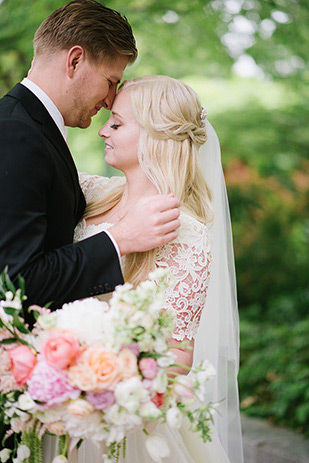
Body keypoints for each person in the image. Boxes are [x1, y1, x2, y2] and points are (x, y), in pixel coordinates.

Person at [43, 75, 243, 462]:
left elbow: (178, 357)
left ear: (157, 135)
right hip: (55, 399)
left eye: (116, 123)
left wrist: (95, 375)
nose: (102, 130)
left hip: (122, 419)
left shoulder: (185, 231)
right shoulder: (97, 193)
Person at [0, 0, 180, 316]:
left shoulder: (29, 126)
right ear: (75, 60)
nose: (111, 100)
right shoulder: (18, 135)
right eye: (110, 81)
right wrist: (119, 238)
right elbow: (15, 282)